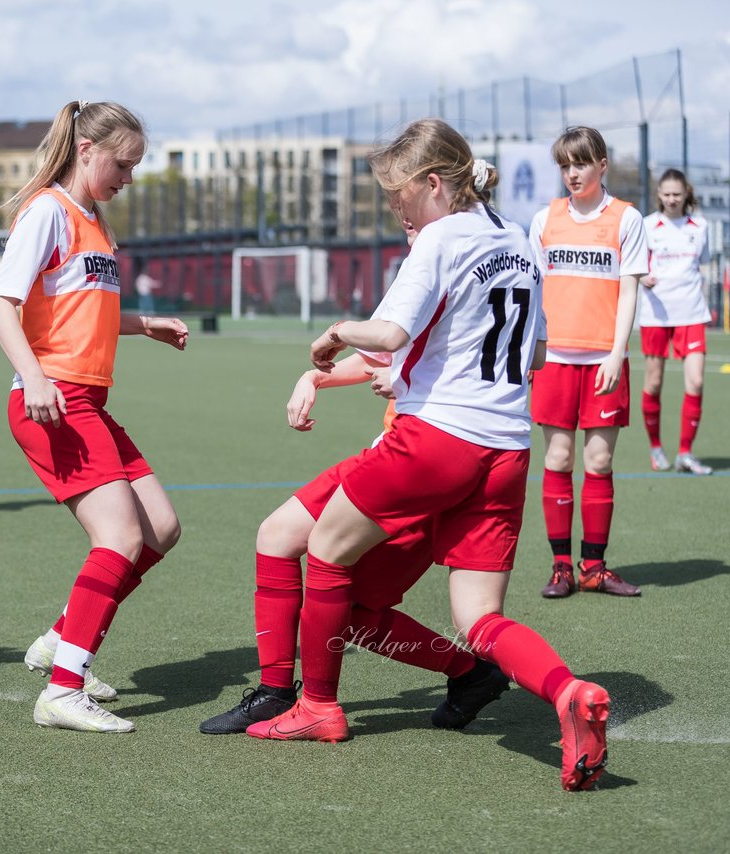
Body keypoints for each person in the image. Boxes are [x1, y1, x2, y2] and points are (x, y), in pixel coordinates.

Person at [248, 119, 611, 793]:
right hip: (506, 449)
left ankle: (317, 708)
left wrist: (332, 335)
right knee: (481, 620)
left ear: (434, 185)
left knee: (326, 550)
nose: (396, 211)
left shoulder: (442, 235)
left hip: (437, 440)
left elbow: (388, 331)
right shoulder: (518, 239)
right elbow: (530, 348)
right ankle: (567, 693)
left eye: (398, 197)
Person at [200, 223, 508, 737]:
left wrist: (388, 367)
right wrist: (315, 376)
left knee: (353, 613)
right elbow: (381, 357)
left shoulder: (464, 268)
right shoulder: (424, 266)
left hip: (426, 468)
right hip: (387, 453)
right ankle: (276, 693)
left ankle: (466, 672)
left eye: (406, 201)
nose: (404, 219)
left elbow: (469, 368)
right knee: (275, 537)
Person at [0, 100, 189, 732]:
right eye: (122, 164)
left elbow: (82, 312)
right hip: (53, 401)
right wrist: (37, 377)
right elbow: (1, 304)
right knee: (121, 537)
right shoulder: (48, 211)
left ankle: (60, 642)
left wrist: (144, 323)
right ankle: (63, 690)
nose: (127, 178)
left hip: (86, 401)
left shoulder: (91, 219)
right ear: (87, 149)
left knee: (159, 529)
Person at [528, 126, 646, 598]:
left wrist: (617, 354)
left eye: (580, 163)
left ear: (602, 165)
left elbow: (630, 290)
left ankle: (594, 567)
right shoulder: (544, 219)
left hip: (603, 359)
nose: (572, 174)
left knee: (598, 462)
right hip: (553, 358)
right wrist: (533, 351)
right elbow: (534, 290)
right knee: (558, 457)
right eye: (564, 165)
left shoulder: (626, 219)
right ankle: (561, 568)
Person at [639, 169, 713, 475]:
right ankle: (656, 448)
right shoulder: (646, 225)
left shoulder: (701, 226)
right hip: (656, 314)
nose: (671, 200)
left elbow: (704, 264)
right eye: (666, 194)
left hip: (692, 313)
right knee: (654, 382)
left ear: (686, 194)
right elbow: (635, 267)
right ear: (659, 194)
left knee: (695, 381)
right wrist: (644, 277)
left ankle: (685, 452)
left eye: (677, 194)